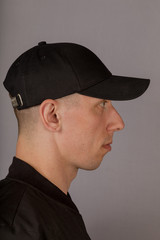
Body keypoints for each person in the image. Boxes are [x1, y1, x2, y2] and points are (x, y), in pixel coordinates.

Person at [0, 41, 150, 239]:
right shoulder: (16, 225)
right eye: (102, 104)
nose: (118, 123)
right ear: (52, 115)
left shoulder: (46, 206)